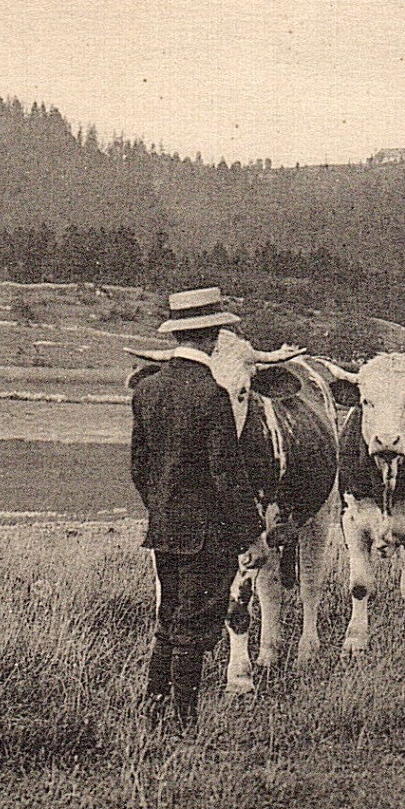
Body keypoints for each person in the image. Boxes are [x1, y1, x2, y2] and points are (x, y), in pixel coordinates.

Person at [129, 287, 266, 730]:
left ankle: (153, 708)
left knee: (168, 619)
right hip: (208, 535)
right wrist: (252, 535)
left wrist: (163, 508)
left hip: (164, 530)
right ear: (211, 338)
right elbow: (227, 472)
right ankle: (185, 723)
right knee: (195, 627)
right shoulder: (213, 395)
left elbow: (139, 467)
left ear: (178, 336)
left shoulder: (147, 391)